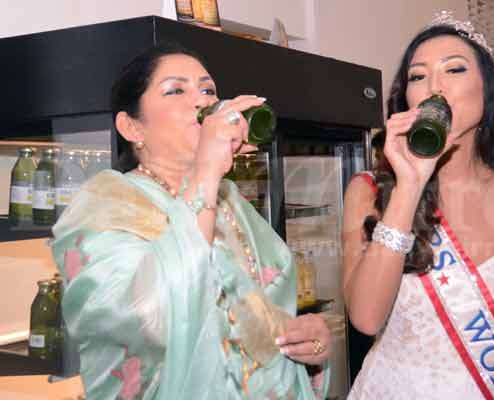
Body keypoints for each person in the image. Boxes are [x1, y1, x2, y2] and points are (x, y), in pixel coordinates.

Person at [50, 43, 331, 399]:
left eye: (208, 89)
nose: (200, 102)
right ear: (132, 126)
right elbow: (149, 322)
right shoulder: (106, 206)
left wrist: (311, 341)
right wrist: (207, 169)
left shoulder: (230, 202)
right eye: (176, 90)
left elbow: (268, 318)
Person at [342, 11, 494, 400]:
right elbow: (366, 318)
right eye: (418, 76)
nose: (434, 86)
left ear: (487, 92)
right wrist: (410, 183)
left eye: (454, 70)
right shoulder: (369, 191)